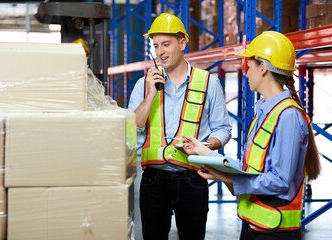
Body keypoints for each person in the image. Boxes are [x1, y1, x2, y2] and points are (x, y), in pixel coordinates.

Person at [182, 31, 321, 240]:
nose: (246, 73)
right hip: (254, 226)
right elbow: (252, 169)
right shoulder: (265, 113)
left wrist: (225, 178)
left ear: (263, 68)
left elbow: (280, 181)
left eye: (249, 67)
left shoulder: (289, 116)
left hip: (275, 232)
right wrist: (205, 152)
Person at [128, 13, 232, 240]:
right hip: (154, 180)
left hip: (193, 178)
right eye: (156, 46)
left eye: (166, 44)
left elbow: (223, 129)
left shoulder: (208, 82)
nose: (160, 52)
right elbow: (132, 128)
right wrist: (150, 95)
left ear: (182, 43)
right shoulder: (144, 84)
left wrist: (204, 146)